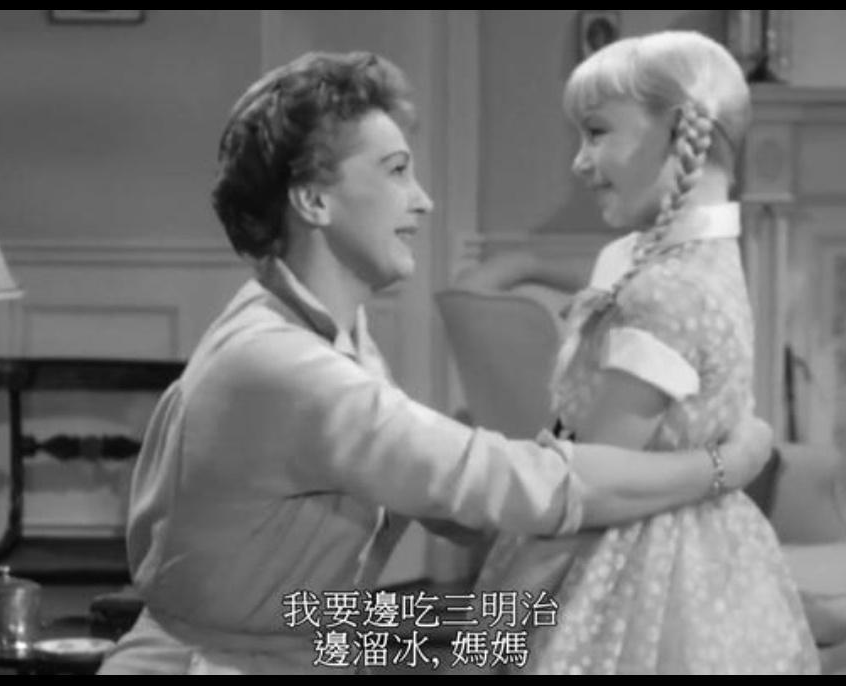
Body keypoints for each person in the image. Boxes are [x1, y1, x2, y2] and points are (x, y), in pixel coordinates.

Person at [96, 50, 774, 675]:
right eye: (396, 171)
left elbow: (454, 504)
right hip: (219, 665)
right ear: (313, 200)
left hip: (316, 639)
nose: (422, 199)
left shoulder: (331, 329)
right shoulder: (282, 365)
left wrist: (491, 625)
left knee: (512, 636)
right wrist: (726, 465)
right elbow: (508, 485)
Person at [474, 32, 819, 674]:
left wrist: (486, 638)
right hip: (706, 559)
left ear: (681, 130)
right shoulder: (690, 262)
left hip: (627, 572)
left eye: (597, 133)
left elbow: (588, 494)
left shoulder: (667, 293)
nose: (579, 162)